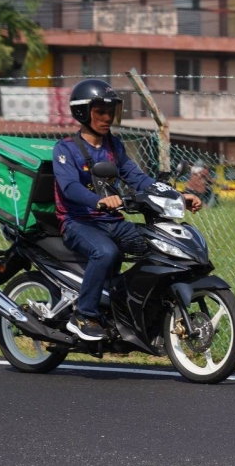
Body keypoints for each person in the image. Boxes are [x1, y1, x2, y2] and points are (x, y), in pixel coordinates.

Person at [53, 79, 203, 341]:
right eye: (100, 111)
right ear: (82, 112)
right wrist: (98, 201)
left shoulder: (113, 146)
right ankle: (84, 314)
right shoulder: (65, 149)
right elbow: (69, 188)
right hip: (79, 222)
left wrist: (179, 196)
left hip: (111, 221)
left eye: (111, 111)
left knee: (155, 246)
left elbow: (139, 179)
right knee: (105, 252)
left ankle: (124, 306)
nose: (107, 117)